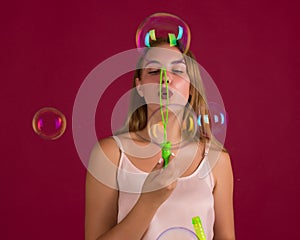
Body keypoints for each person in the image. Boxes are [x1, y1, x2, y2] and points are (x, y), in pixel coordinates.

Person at [85, 35, 235, 239]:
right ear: (140, 86)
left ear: (191, 88)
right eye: (154, 71)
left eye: (177, 70)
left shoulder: (216, 160)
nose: (165, 78)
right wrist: (149, 202)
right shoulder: (111, 154)